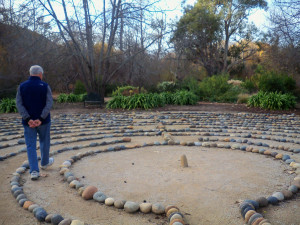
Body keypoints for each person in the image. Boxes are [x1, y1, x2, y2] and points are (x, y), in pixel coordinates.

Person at [16, 65, 54, 180]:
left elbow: (19, 104)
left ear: (30, 73)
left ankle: (34, 171)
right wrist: (40, 119)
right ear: (41, 74)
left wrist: (28, 119)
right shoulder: (45, 86)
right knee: (45, 142)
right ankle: (44, 163)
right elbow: (49, 103)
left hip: (28, 123)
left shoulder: (22, 86)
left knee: (31, 146)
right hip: (44, 122)